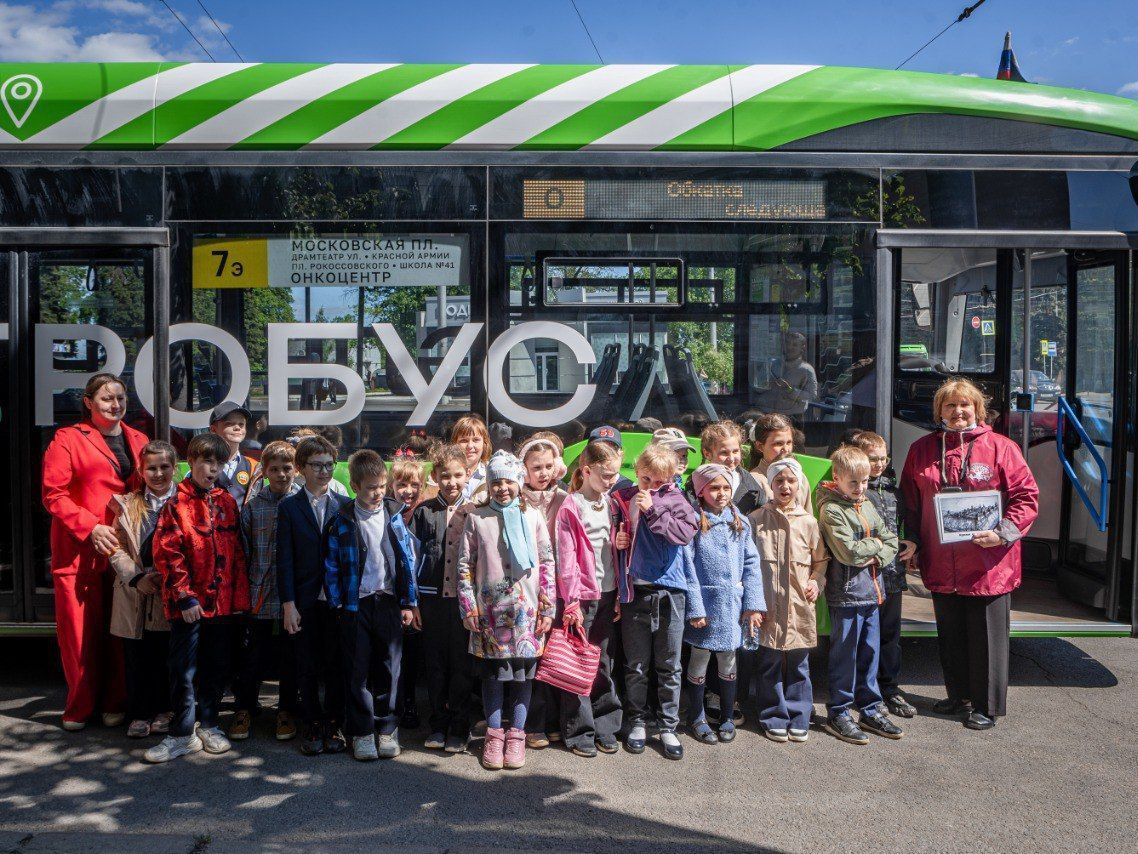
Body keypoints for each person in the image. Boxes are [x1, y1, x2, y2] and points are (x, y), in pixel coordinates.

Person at [900, 378, 1039, 730]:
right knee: (951, 635)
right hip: (941, 561)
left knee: (986, 639)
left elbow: (1026, 498)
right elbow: (911, 504)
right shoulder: (921, 449)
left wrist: (1003, 533)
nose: (958, 411)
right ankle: (958, 696)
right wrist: (913, 540)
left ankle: (987, 706)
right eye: (950, 405)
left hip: (988, 563)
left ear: (977, 409)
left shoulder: (1001, 447)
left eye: (965, 405)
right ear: (939, 412)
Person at [42, 372, 150, 731]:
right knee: (80, 634)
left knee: (121, 630)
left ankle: (114, 703)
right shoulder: (68, 439)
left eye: (120, 398)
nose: (115, 404)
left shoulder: (139, 439)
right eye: (106, 398)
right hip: (80, 549)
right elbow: (53, 494)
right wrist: (91, 526)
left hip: (123, 548)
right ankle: (79, 707)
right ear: (88, 403)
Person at [147, 433, 249, 763]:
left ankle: (208, 723)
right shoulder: (177, 503)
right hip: (189, 606)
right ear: (191, 462)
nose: (212, 469)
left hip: (222, 604)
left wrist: (238, 601)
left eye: (218, 463)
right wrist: (184, 597)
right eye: (206, 461)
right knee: (183, 669)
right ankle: (181, 732)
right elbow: (168, 553)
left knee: (216, 666)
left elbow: (236, 555)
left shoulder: (227, 501)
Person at [457, 451, 555, 771]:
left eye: (508, 482)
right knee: (493, 676)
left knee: (524, 676)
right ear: (489, 484)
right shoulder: (477, 518)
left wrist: (547, 607)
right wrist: (468, 607)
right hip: (490, 613)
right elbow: (464, 567)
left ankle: (517, 734)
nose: (502, 489)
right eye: (496, 482)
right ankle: (494, 734)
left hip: (526, 612)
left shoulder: (533, 517)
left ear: (518, 482)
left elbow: (548, 564)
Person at [325, 450, 419, 761]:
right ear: (354, 486)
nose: (377, 493)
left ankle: (387, 728)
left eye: (381, 486)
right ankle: (362, 732)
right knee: (357, 669)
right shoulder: (342, 519)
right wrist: (338, 603)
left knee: (390, 666)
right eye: (370, 487)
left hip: (388, 601)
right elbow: (332, 566)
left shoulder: (394, 514)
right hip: (356, 605)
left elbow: (406, 561)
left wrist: (408, 602)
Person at [611, 444, 699, 760]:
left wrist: (653, 509)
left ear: (673, 477)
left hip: (670, 592)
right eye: (646, 479)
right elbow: (618, 537)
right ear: (637, 471)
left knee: (669, 665)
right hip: (635, 591)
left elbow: (683, 534)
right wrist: (618, 541)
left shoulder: (676, 499)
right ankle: (637, 722)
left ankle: (668, 727)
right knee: (635, 665)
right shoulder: (623, 497)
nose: (651, 487)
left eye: (659, 482)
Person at [816, 446, 902, 745]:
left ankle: (870, 708)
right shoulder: (831, 509)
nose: (861, 487)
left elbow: (891, 540)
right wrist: (877, 545)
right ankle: (839, 712)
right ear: (837, 478)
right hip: (847, 594)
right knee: (845, 656)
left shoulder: (865, 503)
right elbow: (849, 553)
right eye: (854, 482)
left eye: (864, 481)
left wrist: (877, 550)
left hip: (871, 591)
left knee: (870, 654)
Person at [681, 464, 764, 745]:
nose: (721, 493)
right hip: (705, 606)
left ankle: (728, 715)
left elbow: (751, 563)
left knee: (729, 659)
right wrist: (695, 607)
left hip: (732, 606)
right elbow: (688, 568)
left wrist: (752, 604)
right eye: (714, 488)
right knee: (699, 660)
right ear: (701, 491)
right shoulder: (693, 522)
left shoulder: (739, 520)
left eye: (726, 488)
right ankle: (697, 716)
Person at [277, 435, 349, 756]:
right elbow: (285, 559)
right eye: (317, 465)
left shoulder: (343, 506)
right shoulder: (289, 508)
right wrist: (288, 603)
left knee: (335, 664)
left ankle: (333, 722)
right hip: (304, 600)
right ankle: (311, 722)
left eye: (329, 465)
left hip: (334, 600)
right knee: (305, 664)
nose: (323, 471)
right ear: (301, 469)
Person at [553, 439, 625, 758]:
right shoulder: (572, 505)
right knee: (579, 662)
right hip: (582, 594)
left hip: (609, 591)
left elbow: (617, 551)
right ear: (586, 470)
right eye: (605, 475)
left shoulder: (612, 503)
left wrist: (622, 592)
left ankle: (605, 724)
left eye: (615, 474)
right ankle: (579, 729)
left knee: (604, 660)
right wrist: (570, 602)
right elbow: (566, 556)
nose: (611, 481)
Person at [750, 457, 829, 743]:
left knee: (799, 664)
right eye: (779, 481)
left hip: (798, 606)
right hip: (768, 605)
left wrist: (815, 581)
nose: (785, 486)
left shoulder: (809, 522)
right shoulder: (756, 519)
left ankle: (799, 715)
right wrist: (752, 603)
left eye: (791, 480)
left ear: (799, 485)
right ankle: (773, 715)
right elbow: (748, 565)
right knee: (769, 662)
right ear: (770, 485)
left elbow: (821, 560)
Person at [107, 440, 177, 739]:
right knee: (137, 657)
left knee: (166, 657)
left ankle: (165, 709)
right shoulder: (126, 504)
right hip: (134, 592)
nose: (158, 473)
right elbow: (116, 548)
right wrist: (136, 578)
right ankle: (139, 712)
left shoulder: (184, 502)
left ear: (174, 468)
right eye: (152, 468)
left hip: (169, 590)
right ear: (141, 470)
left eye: (164, 467)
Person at [232, 440, 301, 743]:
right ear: (264, 471)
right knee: (250, 656)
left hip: (292, 597)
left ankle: (286, 709)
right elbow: (243, 551)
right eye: (274, 469)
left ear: (295, 470)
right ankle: (245, 707)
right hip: (259, 594)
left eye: (287, 468)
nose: (282, 475)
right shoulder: (253, 507)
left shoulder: (301, 503)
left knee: (290, 655)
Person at [411, 445, 477, 753]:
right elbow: (410, 559)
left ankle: (459, 728)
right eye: (445, 476)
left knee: (461, 666)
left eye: (458, 475)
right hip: (431, 600)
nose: (452, 482)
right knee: (434, 665)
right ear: (436, 476)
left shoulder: (475, 511)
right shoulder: (425, 511)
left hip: (464, 603)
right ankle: (437, 725)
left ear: (469, 475)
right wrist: (412, 602)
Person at [855, 431, 918, 719]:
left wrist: (911, 543)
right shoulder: (855, 491)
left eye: (883, 458)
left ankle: (890, 688)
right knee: (864, 637)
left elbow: (904, 524)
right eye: (872, 459)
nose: (879, 464)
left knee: (890, 635)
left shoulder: (894, 490)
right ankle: (865, 691)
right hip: (863, 577)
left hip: (892, 574)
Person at [517, 433, 569, 750]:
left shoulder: (565, 499)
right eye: (536, 467)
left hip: (558, 587)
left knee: (556, 656)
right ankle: (532, 723)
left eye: (549, 466)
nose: (544, 473)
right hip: (527, 588)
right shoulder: (517, 500)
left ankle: (555, 721)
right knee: (533, 657)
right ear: (524, 470)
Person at [390, 454, 431, 731]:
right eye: (402, 484)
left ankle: (409, 703)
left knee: (412, 653)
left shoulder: (423, 514)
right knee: (391, 653)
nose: (408, 490)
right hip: (391, 594)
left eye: (414, 484)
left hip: (418, 595)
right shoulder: (386, 512)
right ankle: (390, 705)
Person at [693, 421, 766, 515]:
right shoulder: (695, 483)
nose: (731, 459)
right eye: (724, 453)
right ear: (707, 454)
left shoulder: (753, 488)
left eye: (735, 451)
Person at [749, 413, 811, 511]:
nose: (786, 449)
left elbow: (808, 519)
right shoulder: (753, 480)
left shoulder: (800, 477)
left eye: (789, 443)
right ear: (760, 446)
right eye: (778, 443)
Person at [758, 331, 818, 418]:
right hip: (767, 415)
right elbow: (756, 387)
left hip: (793, 417)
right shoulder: (771, 364)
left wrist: (790, 389)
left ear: (802, 348)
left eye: (794, 345)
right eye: (787, 343)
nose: (790, 347)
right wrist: (767, 384)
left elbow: (811, 396)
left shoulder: (807, 370)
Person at [209, 401, 258, 506]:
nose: (237, 428)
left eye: (241, 424)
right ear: (213, 430)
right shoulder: (202, 464)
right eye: (229, 424)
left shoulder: (253, 466)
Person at [451, 414, 492, 502]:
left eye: (476, 440)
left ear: (484, 443)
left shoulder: (492, 472)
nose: (470, 446)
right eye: (464, 440)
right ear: (455, 443)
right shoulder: (443, 472)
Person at [586, 425, 633, 491]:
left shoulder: (627, 487)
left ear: (620, 454)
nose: (608, 452)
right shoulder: (578, 481)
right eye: (601, 450)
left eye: (613, 449)